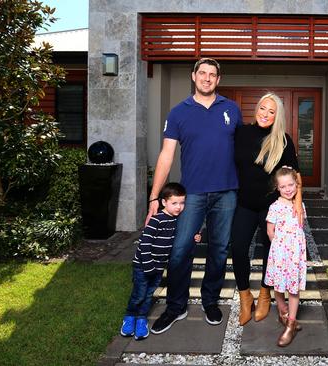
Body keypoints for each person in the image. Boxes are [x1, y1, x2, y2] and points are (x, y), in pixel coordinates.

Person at [148, 58, 243, 334]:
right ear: (193, 76)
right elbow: (166, 155)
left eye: (212, 74)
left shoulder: (231, 109)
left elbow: (245, 149)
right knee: (179, 251)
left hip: (226, 193)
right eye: (202, 73)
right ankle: (175, 307)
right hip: (193, 195)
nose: (207, 78)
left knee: (219, 250)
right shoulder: (179, 113)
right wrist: (155, 197)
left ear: (218, 79)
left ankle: (210, 300)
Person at [231, 93, 303, 326]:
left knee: (271, 251)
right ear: (257, 108)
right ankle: (245, 297)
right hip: (244, 203)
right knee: (239, 248)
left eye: (271, 111)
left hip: (272, 208)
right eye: (263, 108)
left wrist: (298, 206)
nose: (265, 114)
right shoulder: (241, 132)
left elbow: (296, 176)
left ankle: (264, 294)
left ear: (277, 115)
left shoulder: (282, 140)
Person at [119, 182, 187, 341]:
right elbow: (144, 243)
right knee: (139, 294)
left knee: (149, 294)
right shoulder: (157, 219)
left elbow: (176, 238)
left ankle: (141, 319)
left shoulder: (176, 220)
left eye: (182, 203)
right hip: (143, 266)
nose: (179, 207)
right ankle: (129, 317)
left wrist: (195, 236)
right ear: (164, 202)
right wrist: (148, 265)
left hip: (158, 267)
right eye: (174, 203)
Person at [265, 166, 307, 347]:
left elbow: (300, 228)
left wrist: (295, 250)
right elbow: (270, 232)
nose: (288, 189)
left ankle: (291, 323)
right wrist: (280, 250)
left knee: (294, 289)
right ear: (277, 188)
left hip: (296, 255)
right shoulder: (274, 207)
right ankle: (283, 313)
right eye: (283, 187)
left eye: (291, 185)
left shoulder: (300, 205)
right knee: (278, 285)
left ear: (297, 185)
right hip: (280, 254)